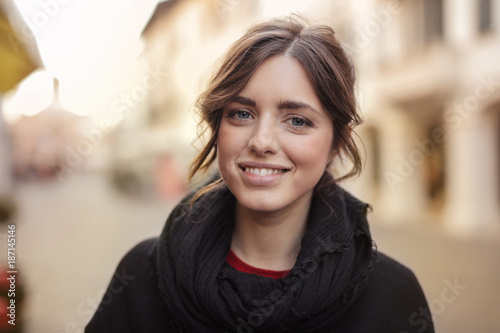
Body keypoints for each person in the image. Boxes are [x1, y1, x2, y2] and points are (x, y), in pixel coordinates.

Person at [85, 16, 434, 333]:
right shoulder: (142, 277)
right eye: (241, 114)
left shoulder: (392, 297)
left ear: (336, 143)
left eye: (297, 120)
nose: (262, 141)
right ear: (216, 128)